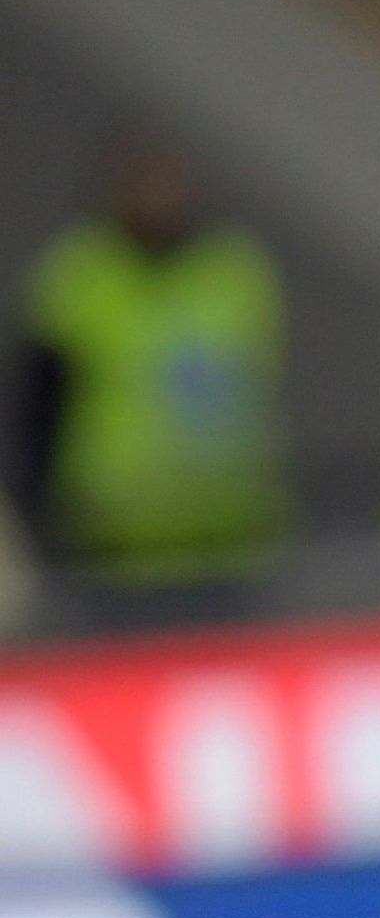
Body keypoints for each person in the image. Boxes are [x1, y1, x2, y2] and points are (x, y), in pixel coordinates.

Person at [12, 132, 287, 604]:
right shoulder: (78, 281)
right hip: (113, 550)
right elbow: (37, 413)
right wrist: (42, 524)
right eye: (144, 182)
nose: (159, 197)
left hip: (228, 544)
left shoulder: (233, 272)